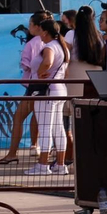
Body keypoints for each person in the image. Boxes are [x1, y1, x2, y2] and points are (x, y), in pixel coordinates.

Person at [0, 12, 50, 165]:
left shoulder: (32, 44)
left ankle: (13, 153)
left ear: (38, 27)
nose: (28, 27)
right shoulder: (52, 43)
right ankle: (36, 147)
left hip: (34, 86)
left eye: (30, 24)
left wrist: (36, 71)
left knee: (19, 117)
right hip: (47, 86)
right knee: (38, 116)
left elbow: (27, 65)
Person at [27, 18, 70, 176]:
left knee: (45, 127)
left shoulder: (50, 47)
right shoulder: (62, 47)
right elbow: (66, 71)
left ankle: (43, 165)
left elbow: (48, 62)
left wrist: (39, 73)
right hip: (59, 89)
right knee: (58, 127)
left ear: (45, 32)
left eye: (40, 31)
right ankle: (60, 164)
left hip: (47, 90)